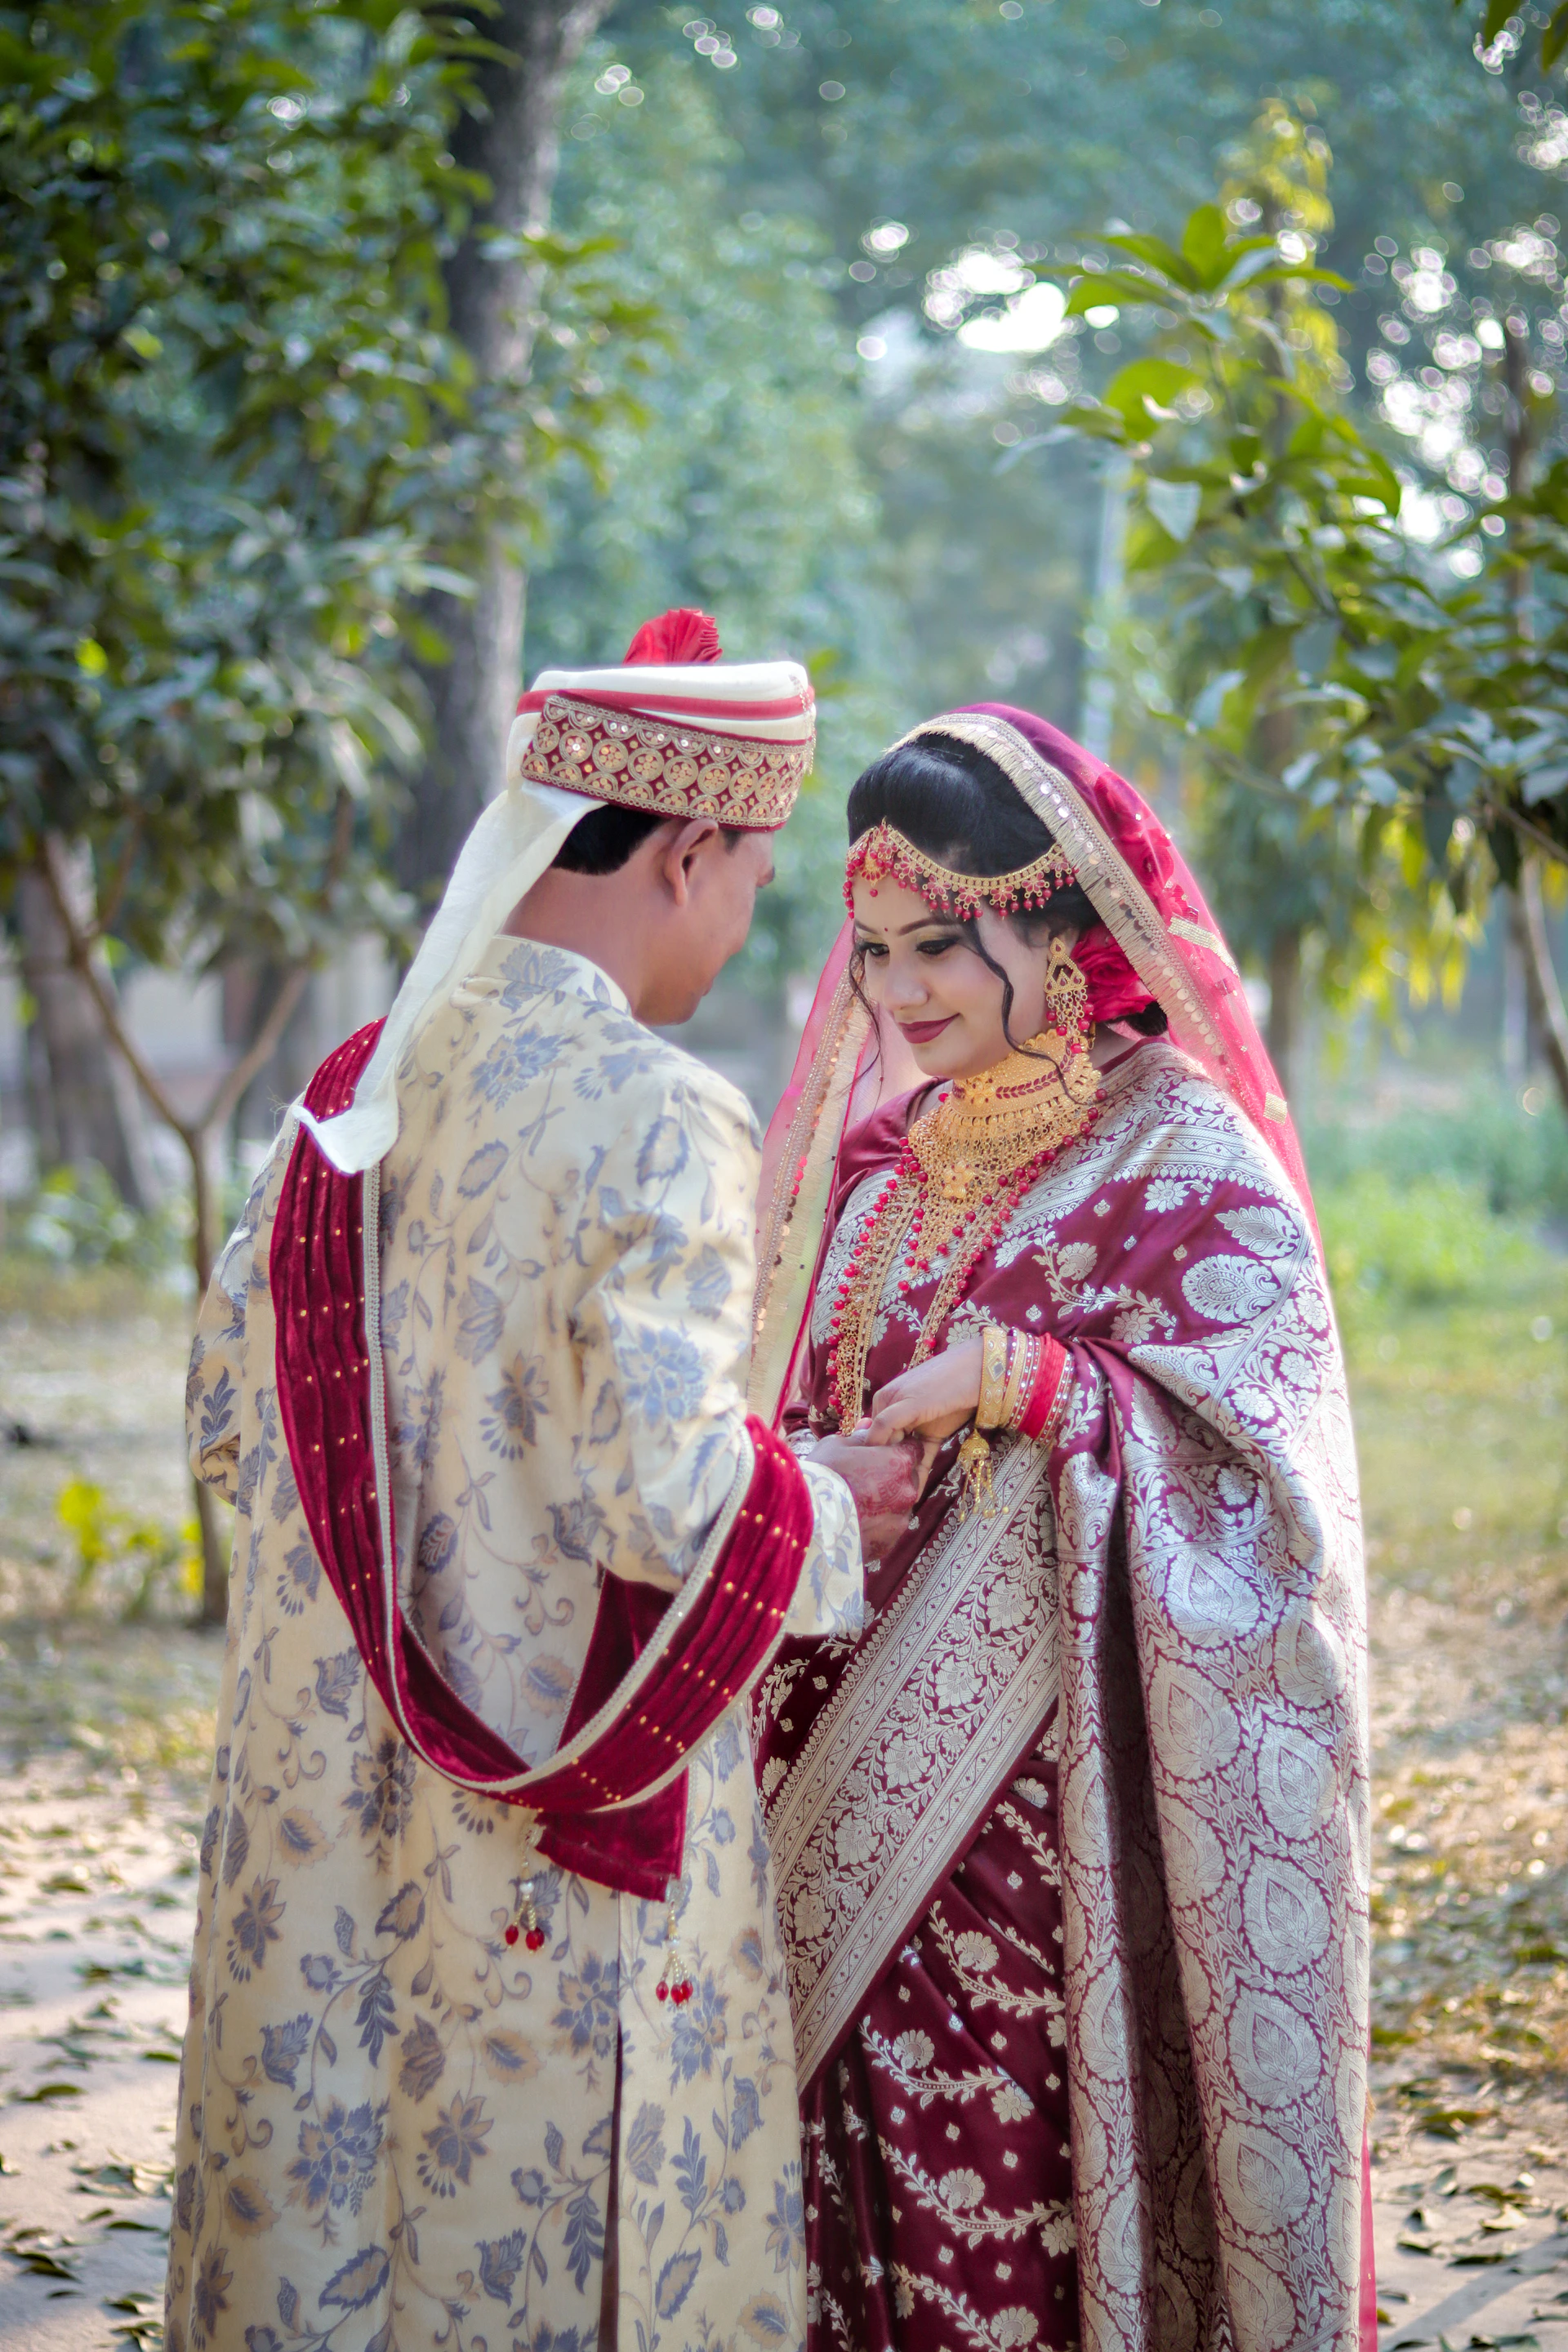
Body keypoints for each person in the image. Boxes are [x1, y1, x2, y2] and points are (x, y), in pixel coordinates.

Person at [167, 612, 921, 2352]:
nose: (744, 933)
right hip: (540, 1841)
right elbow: (666, 1503)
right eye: (751, 880)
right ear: (685, 852)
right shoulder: (659, 1112)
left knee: (332, 2209)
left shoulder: (348, 1095)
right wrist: (826, 1499)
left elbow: (227, 1416)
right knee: (541, 2240)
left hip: (316, 1809)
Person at [750, 705, 1374, 2352]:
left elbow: (1271, 1493)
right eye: (874, 951)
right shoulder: (879, 1181)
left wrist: (1040, 1384)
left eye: (943, 946)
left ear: (1064, 922)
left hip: (1064, 1829)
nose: (897, 995)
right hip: (831, 1805)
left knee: (1015, 2207)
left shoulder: (1190, 1162)